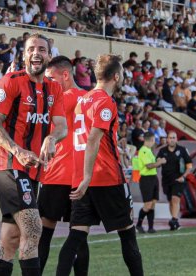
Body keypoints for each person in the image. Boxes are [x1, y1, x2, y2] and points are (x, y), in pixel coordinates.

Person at [56, 54, 143, 276]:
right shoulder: (105, 102)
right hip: (106, 177)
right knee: (128, 235)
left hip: (82, 180)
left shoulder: (82, 101)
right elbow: (93, 138)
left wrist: (83, 177)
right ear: (116, 76)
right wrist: (87, 175)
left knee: (75, 238)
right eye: (122, 72)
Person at [0, 33, 67, 276]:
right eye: (31, 48)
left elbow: (62, 125)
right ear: (24, 55)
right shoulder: (11, 82)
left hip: (33, 170)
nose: (36, 53)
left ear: (49, 56)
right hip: (10, 165)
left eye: (42, 49)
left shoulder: (54, 88)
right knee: (33, 228)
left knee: (11, 238)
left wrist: (52, 138)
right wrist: (17, 150)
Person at [38, 55, 88, 274]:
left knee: (45, 233)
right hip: (81, 177)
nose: (47, 82)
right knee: (79, 236)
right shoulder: (88, 98)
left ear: (65, 75)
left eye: (51, 78)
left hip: (58, 174)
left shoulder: (63, 98)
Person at [157, 131, 192, 230]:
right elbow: (158, 162)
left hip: (178, 179)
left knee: (175, 199)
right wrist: (159, 161)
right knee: (170, 201)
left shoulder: (182, 150)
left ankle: (174, 219)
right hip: (166, 180)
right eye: (170, 138)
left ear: (176, 139)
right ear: (167, 139)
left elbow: (189, 166)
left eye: (174, 138)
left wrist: (183, 176)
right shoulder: (162, 151)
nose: (172, 139)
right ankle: (174, 220)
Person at [135, 132, 166, 234]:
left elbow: (153, 164)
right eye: (154, 140)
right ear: (151, 140)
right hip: (146, 179)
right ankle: (139, 225)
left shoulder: (149, 150)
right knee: (147, 205)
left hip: (153, 178)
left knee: (153, 204)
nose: (154, 142)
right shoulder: (143, 151)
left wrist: (158, 161)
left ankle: (151, 227)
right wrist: (160, 162)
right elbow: (148, 166)